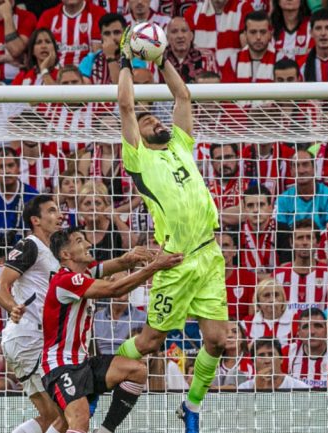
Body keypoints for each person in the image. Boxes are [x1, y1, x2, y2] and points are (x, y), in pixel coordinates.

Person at [115, 27, 229, 433]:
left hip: (208, 254)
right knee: (149, 344)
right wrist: (127, 58)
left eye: (154, 117)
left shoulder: (180, 144)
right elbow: (126, 107)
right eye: (148, 121)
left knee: (218, 340)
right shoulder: (139, 159)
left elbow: (182, 97)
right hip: (175, 262)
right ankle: (101, 369)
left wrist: (161, 59)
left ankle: (192, 405)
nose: (153, 120)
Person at [42, 226, 182, 433]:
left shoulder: (85, 273)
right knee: (79, 420)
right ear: (65, 254)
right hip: (60, 365)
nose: (89, 244)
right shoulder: (66, 280)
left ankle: (106, 430)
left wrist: (133, 256)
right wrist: (154, 267)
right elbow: (114, 289)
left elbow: (117, 264)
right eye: (80, 241)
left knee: (137, 370)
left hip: (81, 363)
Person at [0, 195, 66, 433]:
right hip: (27, 337)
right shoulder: (30, 245)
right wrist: (12, 306)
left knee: (50, 416)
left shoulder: (52, 253)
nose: (61, 216)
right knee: (69, 414)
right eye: (52, 211)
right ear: (36, 220)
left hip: (33, 340)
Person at [273, 219, 328, 312]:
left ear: (318, 243)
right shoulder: (277, 276)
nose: (305, 242)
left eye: (309, 237)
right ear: (291, 242)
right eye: (300, 238)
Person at [275, 149, 328, 230]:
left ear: (314, 169)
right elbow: (281, 234)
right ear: (291, 172)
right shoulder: (282, 200)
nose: (301, 171)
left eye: (305, 164)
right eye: (296, 165)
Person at [36, 0, 106, 66]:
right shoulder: (48, 16)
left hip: (87, 72)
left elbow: (98, 53)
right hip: (56, 73)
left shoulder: (98, 14)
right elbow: (40, 52)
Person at [222, 10, 275, 83]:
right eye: (253, 32)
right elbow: (227, 92)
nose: (258, 37)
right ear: (245, 34)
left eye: (263, 32)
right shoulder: (233, 61)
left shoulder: (279, 59)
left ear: (270, 34)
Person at [241, 278, 294, 348]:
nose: (272, 300)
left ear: (283, 298)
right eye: (267, 295)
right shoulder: (246, 324)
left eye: (276, 295)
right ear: (257, 300)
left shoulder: (296, 321)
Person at [238, 338, 310, 390]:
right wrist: (257, 388)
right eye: (261, 355)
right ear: (253, 362)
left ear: (281, 359)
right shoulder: (243, 388)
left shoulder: (300, 388)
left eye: (271, 354)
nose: (267, 360)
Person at [163, 17, 219, 83]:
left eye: (184, 31)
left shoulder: (206, 57)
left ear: (191, 36)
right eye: (174, 32)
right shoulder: (158, 58)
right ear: (167, 38)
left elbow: (214, 86)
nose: (180, 36)